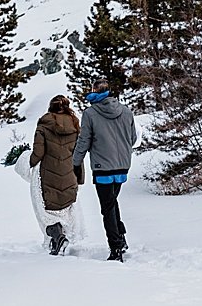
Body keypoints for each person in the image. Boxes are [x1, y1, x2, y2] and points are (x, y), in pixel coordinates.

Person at [72, 80, 139, 261]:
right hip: (123, 165)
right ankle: (121, 237)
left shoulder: (90, 113)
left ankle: (115, 247)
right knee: (112, 201)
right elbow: (132, 138)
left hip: (103, 167)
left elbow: (84, 141)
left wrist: (75, 162)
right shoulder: (126, 111)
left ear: (94, 91)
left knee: (107, 207)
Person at [30, 94, 86, 255]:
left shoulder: (43, 124)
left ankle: (58, 237)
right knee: (65, 209)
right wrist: (79, 177)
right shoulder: (75, 125)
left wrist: (30, 162)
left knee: (47, 212)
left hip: (48, 173)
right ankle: (58, 240)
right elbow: (78, 154)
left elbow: (38, 152)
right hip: (69, 174)